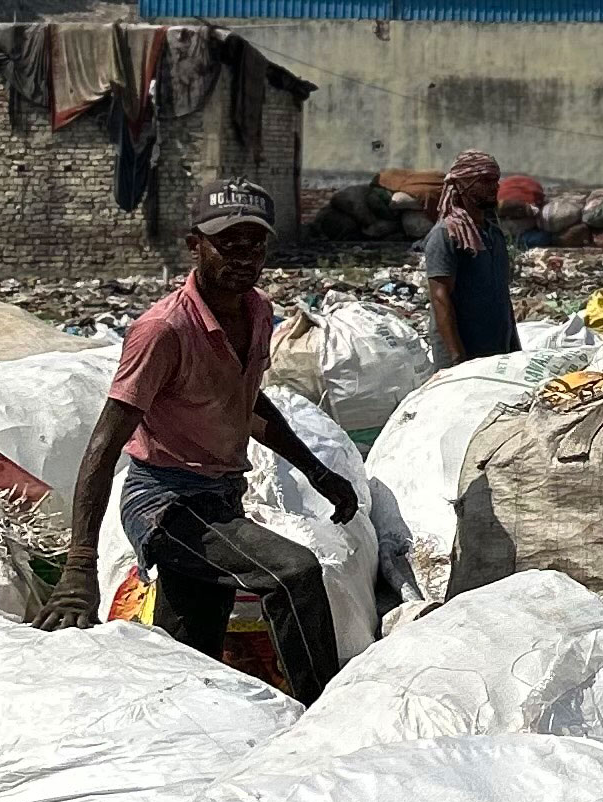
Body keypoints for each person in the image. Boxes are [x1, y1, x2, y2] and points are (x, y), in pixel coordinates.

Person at [38, 178, 361, 700]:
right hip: (166, 502)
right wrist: (80, 565)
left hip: (220, 497)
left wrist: (319, 473)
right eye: (227, 243)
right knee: (293, 572)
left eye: (254, 244)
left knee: (190, 652)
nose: (243, 257)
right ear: (196, 245)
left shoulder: (256, 311)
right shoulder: (163, 330)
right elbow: (104, 443)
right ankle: (323, 716)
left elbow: (249, 401)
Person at [419, 148, 521, 364]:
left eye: (495, 180)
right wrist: (456, 357)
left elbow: (501, 293)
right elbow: (440, 297)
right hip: (463, 353)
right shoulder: (446, 235)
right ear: (462, 184)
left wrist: (513, 346)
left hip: (496, 350)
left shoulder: (493, 234)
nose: (494, 187)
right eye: (485, 180)